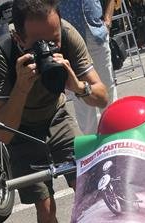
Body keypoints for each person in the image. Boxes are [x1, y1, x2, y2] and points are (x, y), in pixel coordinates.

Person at [0, 0, 108, 223]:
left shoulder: (67, 33)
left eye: (53, 40)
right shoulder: (0, 50)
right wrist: (21, 87)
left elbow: (102, 97)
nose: (48, 49)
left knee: (88, 185)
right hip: (21, 129)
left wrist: (78, 86)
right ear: (19, 38)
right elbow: (3, 133)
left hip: (56, 114)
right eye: (37, 44)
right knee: (44, 204)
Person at [58, 0, 117, 133]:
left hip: (96, 34)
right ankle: (90, 139)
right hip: (70, 38)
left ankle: (113, 131)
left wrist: (108, 21)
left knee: (107, 85)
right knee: (80, 94)